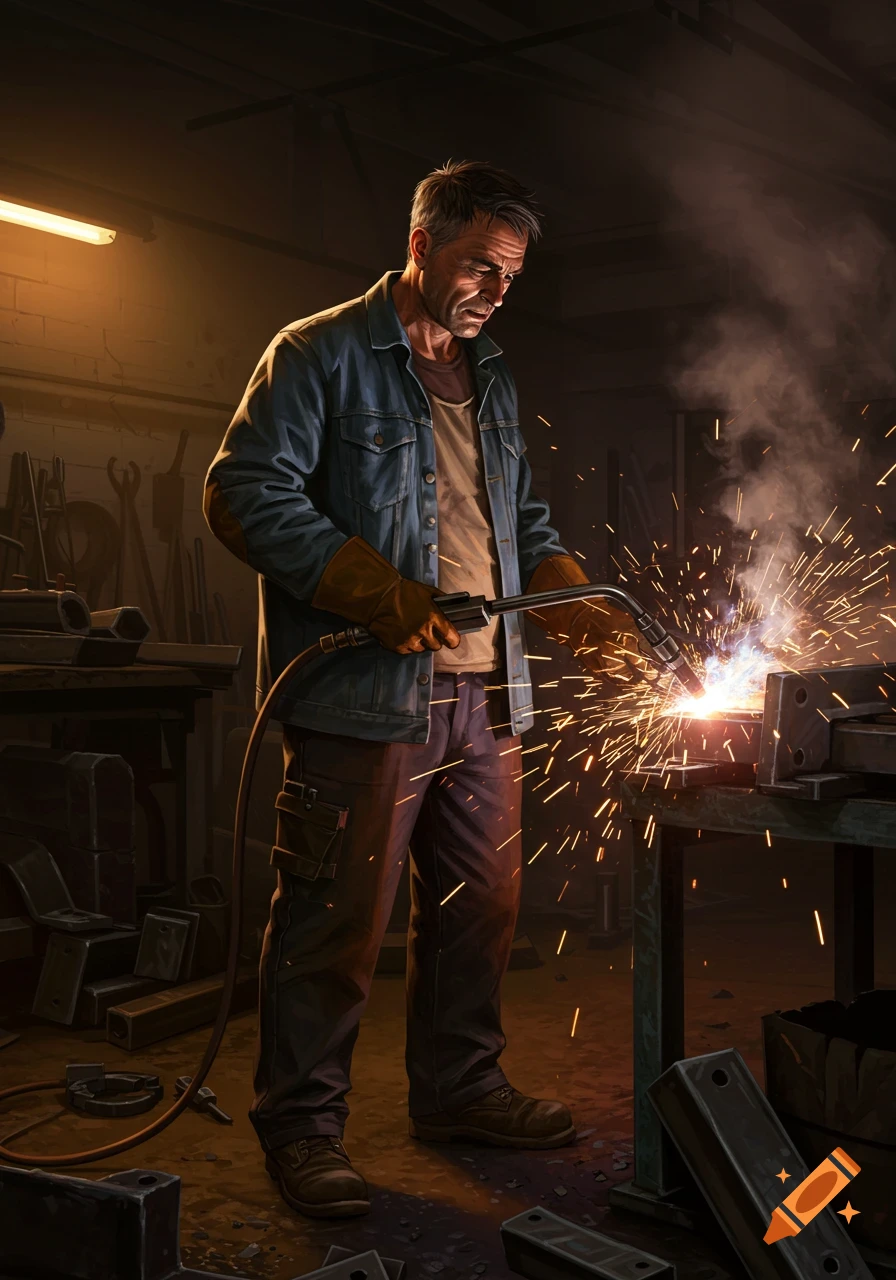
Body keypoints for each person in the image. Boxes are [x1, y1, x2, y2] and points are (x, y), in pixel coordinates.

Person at [203, 159, 642, 1220]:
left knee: (479, 910)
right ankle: (302, 1128)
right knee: (335, 923)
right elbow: (242, 491)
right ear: (419, 244)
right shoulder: (317, 353)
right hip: (365, 699)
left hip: (486, 696)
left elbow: (519, 525)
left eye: (510, 272)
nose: (496, 289)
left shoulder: (489, 375)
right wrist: (369, 588)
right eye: (479, 264)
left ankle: (459, 1087)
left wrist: (575, 610)